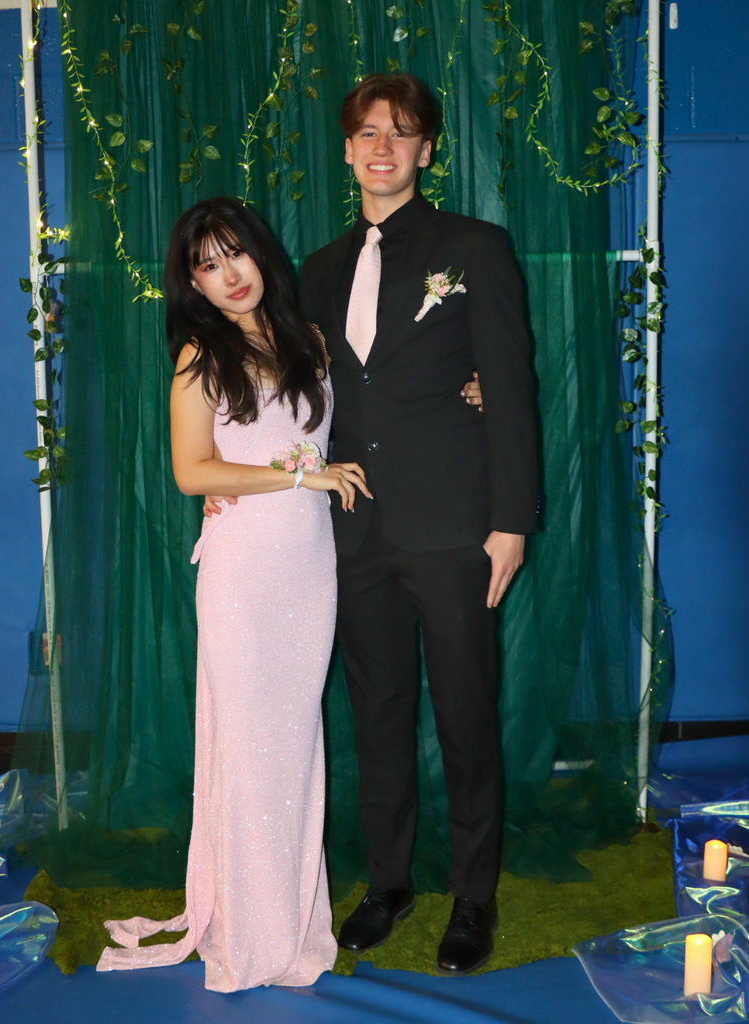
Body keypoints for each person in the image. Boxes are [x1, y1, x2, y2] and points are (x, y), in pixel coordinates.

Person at [96, 197, 371, 992]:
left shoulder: (311, 341)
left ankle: (290, 918)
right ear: (193, 284)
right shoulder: (198, 354)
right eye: (207, 265)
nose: (228, 275)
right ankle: (252, 933)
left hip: (308, 569)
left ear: (261, 254)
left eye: (235, 254)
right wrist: (298, 477)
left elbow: (372, 408)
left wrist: (469, 389)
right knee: (249, 749)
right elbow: (193, 472)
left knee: (295, 745)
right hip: (243, 573)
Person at [298, 73, 539, 976]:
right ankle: (388, 883)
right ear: (346, 149)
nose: (383, 147)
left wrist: (511, 520)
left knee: (467, 715)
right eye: (367, 132)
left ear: (426, 150)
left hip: (453, 527)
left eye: (400, 133)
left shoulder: (474, 247)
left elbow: (509, 389)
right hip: (352, 531)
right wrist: (247, 476)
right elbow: (301, 395)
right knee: (377, 714)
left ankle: (473, 896)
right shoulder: (316, 269)